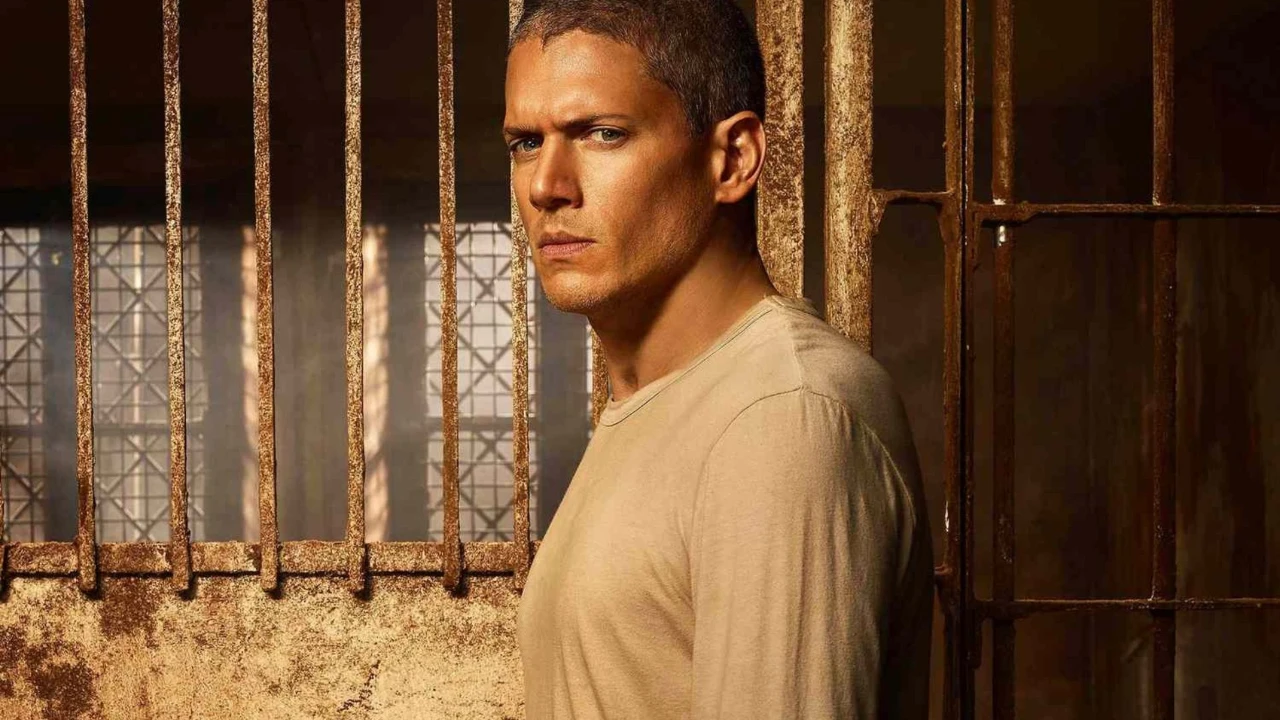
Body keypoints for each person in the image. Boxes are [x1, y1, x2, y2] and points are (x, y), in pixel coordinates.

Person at [505, 1, 933, 717]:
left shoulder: (780, 415)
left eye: (603, 134)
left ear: (731, 159)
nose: (547, 185)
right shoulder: (666, 401)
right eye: (525, 142)